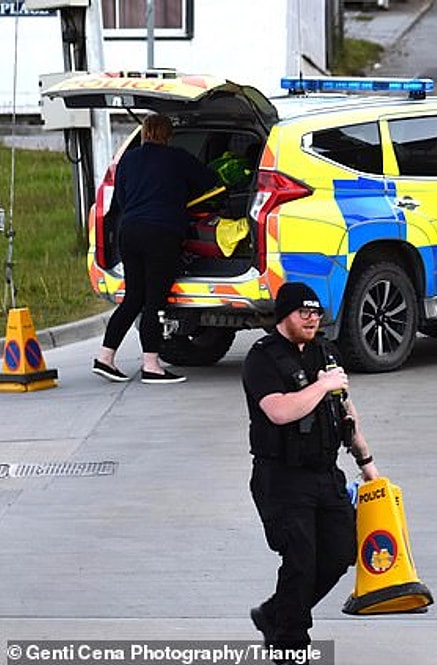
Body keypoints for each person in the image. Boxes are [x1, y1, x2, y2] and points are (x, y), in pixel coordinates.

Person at [242, 281, 379, 653]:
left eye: (316, 313)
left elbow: (345, 411)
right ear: (284, 315)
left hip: (325, 474)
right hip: (281, 477)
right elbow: (279, 411)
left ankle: (276, 613)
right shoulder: (262, 358)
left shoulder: (326, 353)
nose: (311, 319)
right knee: (300, 560)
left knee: (339, 554)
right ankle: (290, 645)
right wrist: (321, 386)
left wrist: (367, 462)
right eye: (303, 313)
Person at [91, 113, 220, 385]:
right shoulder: (177, 158)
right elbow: (210, 181)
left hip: (129, 232)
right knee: (154, 300)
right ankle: (151, 365)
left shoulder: (128, 159)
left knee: (133, 298)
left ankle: (105, 358)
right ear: (168, 135)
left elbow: (121, 199)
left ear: (144, 133)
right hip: (161, 233)